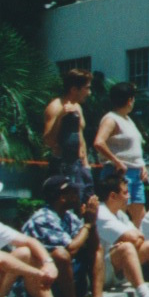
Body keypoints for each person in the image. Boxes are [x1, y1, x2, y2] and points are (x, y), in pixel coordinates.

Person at [20, 175, 113, 297]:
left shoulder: (68, 216)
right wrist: (87, 225)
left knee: (97, 249)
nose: (77, 195)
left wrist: (93, 223)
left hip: (68, 280)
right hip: (42, 285)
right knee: (61, 254)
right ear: (61, 197)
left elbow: (92, 245)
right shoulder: (43, 218)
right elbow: (71, 249)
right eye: (73, 192)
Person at [91, 81, 149, 225]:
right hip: (119, 173)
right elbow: (99, 142)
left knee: (141, 217)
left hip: (136, 174)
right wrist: (116, 161)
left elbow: (133, 149)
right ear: (130, 100)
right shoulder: (111, 119)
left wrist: (142, 166)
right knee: (118, 215)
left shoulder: (128, 120)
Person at [40, 67, 93, 198]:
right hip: (63, 165)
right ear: (74, 89)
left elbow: (81, 138)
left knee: (84, 205)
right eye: (86, 88)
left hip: (80, 165)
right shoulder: (55, 107)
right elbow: (48, 141)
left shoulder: (78, 107)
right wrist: (60, 117)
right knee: (66, 204)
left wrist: (86, 165)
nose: (89, 93)